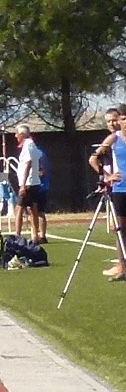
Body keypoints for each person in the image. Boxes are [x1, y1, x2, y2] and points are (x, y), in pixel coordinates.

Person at [89, 104, 126, 281]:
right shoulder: (113, 138)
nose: (114, 123)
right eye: (121, 119)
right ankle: (122, 267)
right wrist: (107, 177)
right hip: (120, 189)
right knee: (120, 229)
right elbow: (93, 159)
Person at [14, 125, 42, 242]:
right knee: (33, 209)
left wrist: (23, 184)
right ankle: (35, 235)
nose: (15, 136)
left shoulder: (28, 145)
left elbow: (28, 164)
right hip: (34, 182)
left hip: (28, 183)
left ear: (22, 134)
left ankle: (17, 235)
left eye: (17, 133)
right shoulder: (32, 144)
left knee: (19, 209)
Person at [35, 144, 50, 244]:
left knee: (40, 212)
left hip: (40, 187)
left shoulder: (39, 155)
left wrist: (31, 175)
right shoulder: (37, 154)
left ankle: (42, 236)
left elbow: (42, 172)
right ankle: (37, 235)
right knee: (34, 212)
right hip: (36, 187)